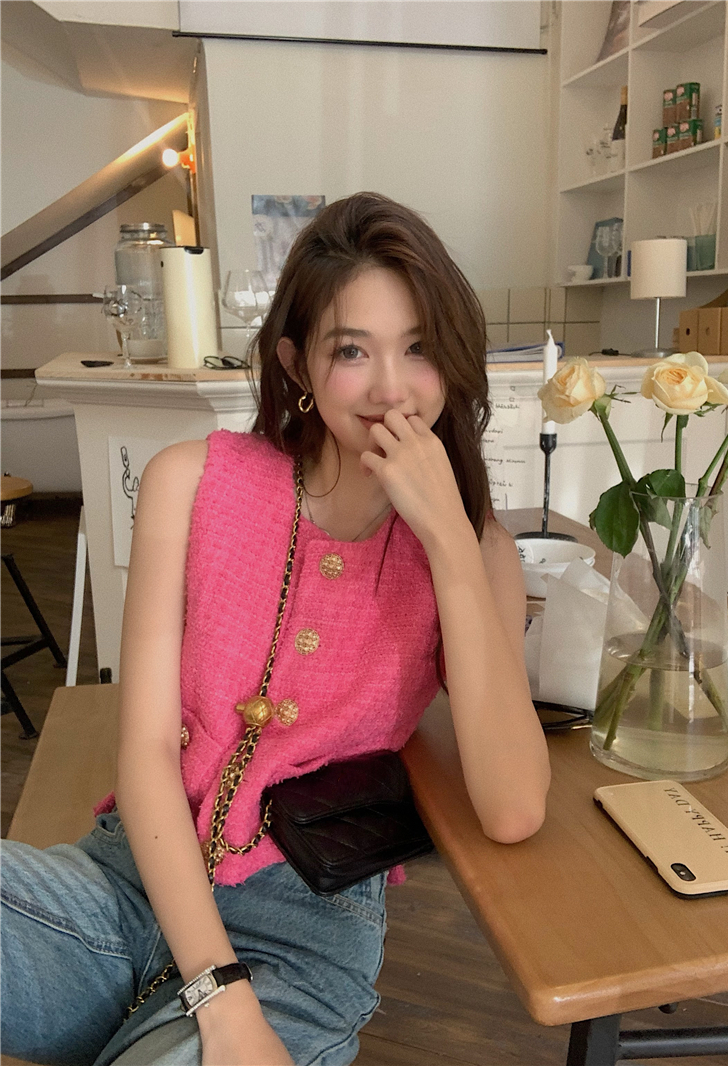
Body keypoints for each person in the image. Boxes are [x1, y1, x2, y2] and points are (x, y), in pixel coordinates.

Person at [1, 192, 550, 1066]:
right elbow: (146, 752)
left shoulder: (476, 550)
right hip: (126, 884)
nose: (390, 388)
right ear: (298, 363)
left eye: (417, 348)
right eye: (351, 351)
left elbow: (514, 807)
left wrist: (450, 539)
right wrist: (216, 998)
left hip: (302, 934)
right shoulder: (190, 482)